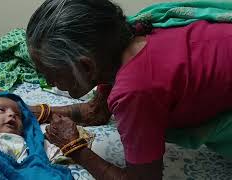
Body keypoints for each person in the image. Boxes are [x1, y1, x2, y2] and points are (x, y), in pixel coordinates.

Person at [26, 0, 232, 179]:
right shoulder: (124, 37)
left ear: (86, 67)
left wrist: (74, 148)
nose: (49, 82)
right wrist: (41, 111)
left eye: (49, 72)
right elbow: (97, 112)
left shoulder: (135, 90)